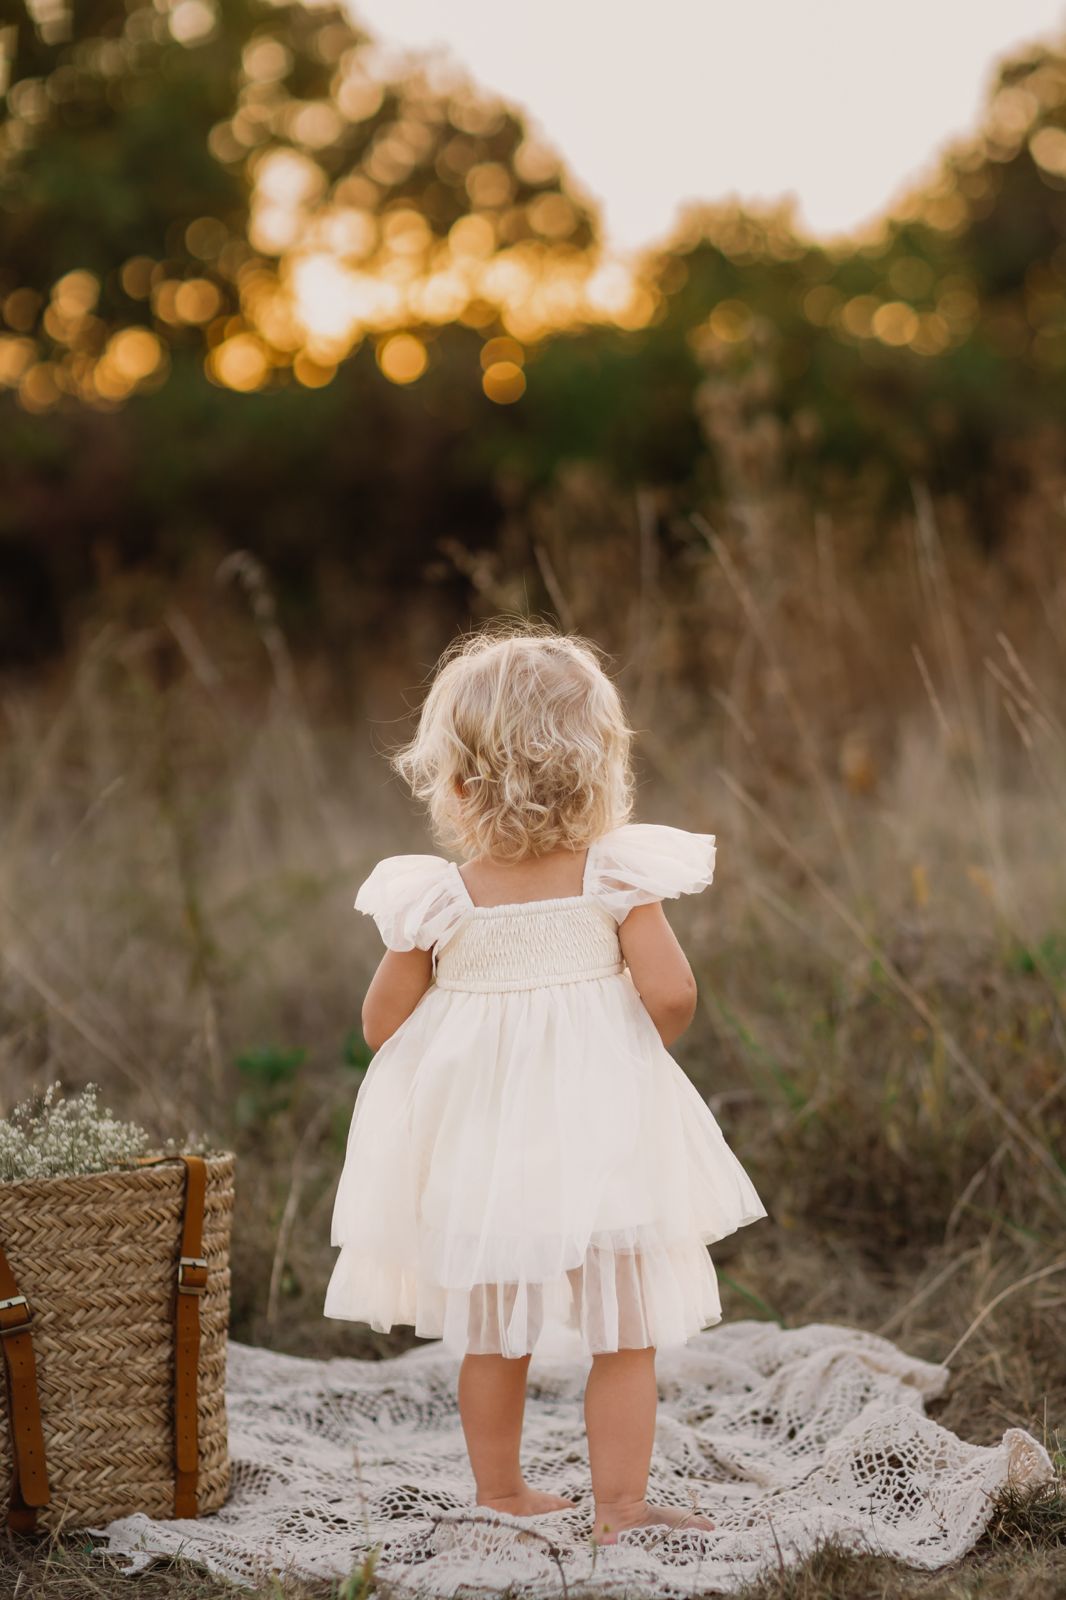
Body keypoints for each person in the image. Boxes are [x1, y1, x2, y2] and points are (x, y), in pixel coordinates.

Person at [324, 620, 768, 1544]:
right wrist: (624, 1045)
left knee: (493, 1332)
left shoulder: (439, 898)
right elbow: (674, 994)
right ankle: (620, 1507)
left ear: (453, 780)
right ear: (601, 768)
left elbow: (379, 1025)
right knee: (624, 1328)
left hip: (485, 1152)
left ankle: (500, 1491)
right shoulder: (615, 877)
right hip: (605, 1135)